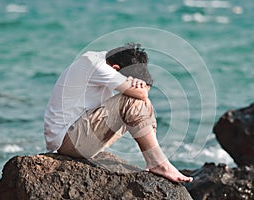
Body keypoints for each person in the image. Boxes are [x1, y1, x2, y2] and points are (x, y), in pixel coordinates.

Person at [43, 43, 193, 183]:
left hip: (79, 134)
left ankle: (155, 160)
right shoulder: (97, 65)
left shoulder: (103, 58)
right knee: (131, 101)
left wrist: (140, 85)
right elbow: (141, 94)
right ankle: (158, 163)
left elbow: (143, 92)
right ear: (115, 68)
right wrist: (139, 89)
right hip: (66, 141)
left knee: (141, 103)